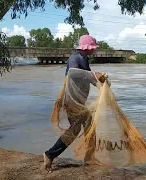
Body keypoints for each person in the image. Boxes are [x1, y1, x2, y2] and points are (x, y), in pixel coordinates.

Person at [43, 35, 106, 172]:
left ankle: (89, 158)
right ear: (87, 48)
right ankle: (50, 154)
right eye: (92, 47)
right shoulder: (76, 57)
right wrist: (95, 74)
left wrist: (101, 82)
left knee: (89, 126)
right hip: (72, 101)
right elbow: (73, 73)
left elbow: (87, 76)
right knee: (77, 129)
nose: (93, 50)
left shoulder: (83, 58)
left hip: (77, 101)